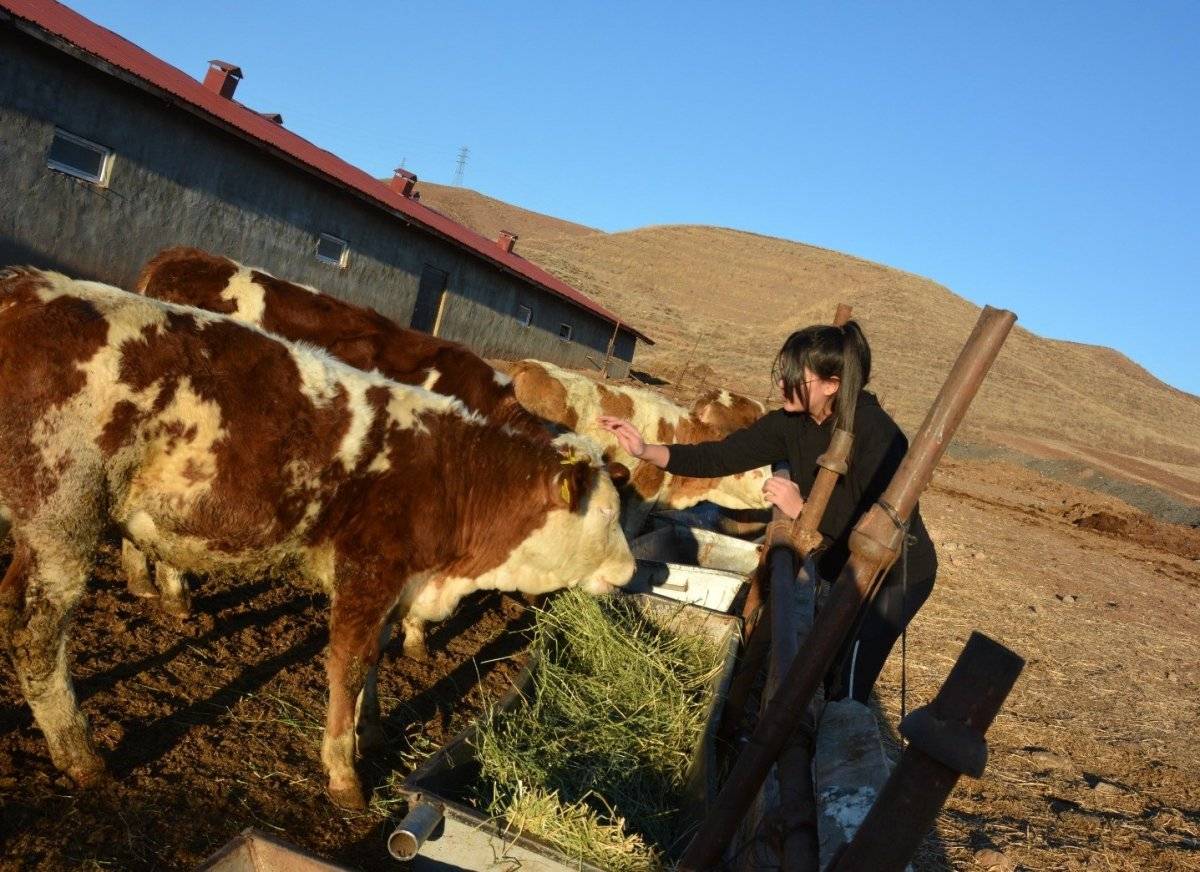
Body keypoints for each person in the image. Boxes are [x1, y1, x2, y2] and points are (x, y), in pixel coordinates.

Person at [599, 321, 937, 703]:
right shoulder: (792, 423)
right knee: (821, 661)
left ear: (832, 384)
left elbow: (881, 525)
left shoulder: (881, 435)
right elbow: (720, 456)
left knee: (850, 675)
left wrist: (802, 510)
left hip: (894, 575)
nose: (781, 385)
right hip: (840, 562)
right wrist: (647, 450)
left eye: (795, 377)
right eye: (781, 373)